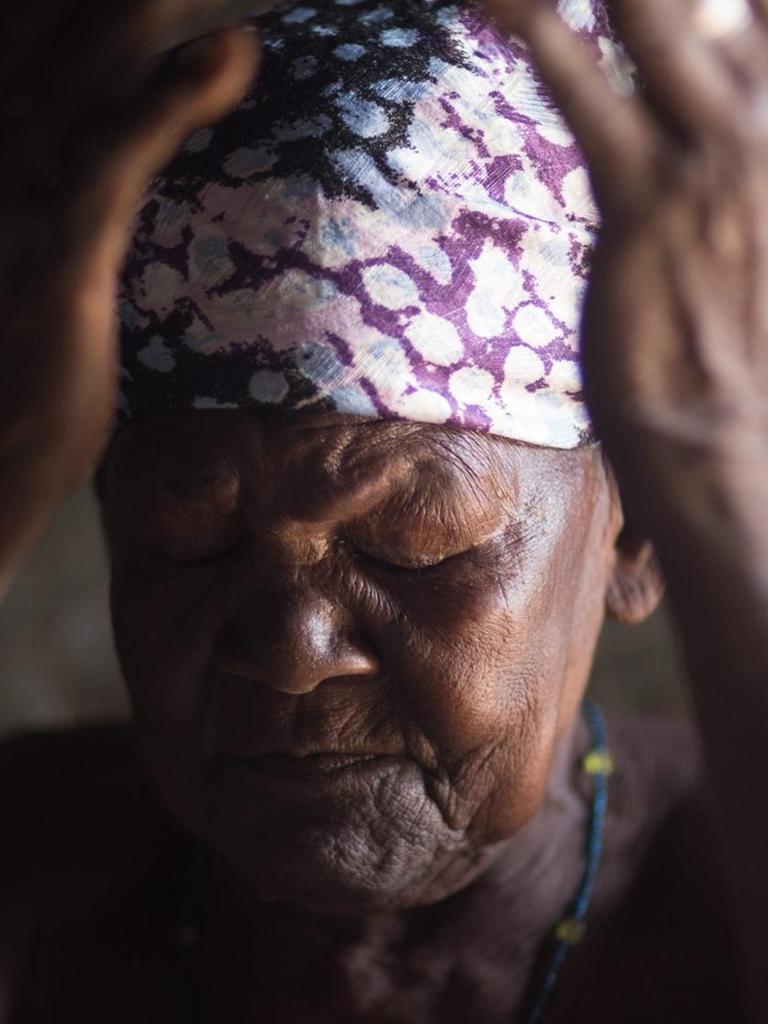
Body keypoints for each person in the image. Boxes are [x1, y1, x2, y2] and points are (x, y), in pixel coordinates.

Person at [1, 0, 766, 1021]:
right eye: (189, 545)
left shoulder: (723, 904)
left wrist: (716, 449)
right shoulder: (33, 882)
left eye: (411, 546)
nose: (289, 649)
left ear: (634, 533)